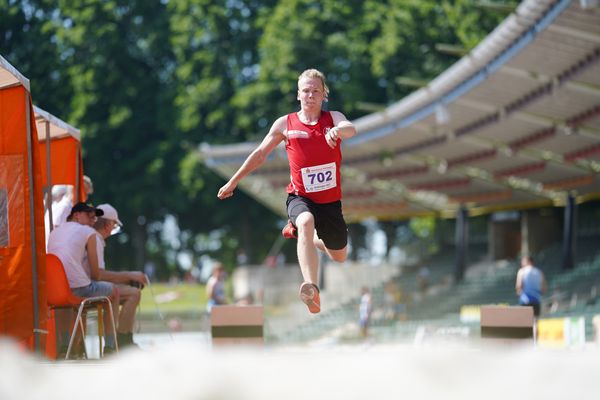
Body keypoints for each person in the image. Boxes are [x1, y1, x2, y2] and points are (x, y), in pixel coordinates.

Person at [217, 68, 357, 314]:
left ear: (324, 94)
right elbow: (260, 154)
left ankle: (310, 236)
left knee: (340, 256)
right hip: (300, 197)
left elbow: (350, 129)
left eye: (316, 91)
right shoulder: (285, 123)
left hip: (330, 202)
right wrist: (233, 181)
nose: (310, 95)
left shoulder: (332, 117)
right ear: (298, 94)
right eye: (306, 90)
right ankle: (311, 288)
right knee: (305, 221)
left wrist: (337, 130)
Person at [47, 202, 147, 352]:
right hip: (79, 290)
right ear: (76, 215)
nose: (92, 220)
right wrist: (129, 276)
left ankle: (65, 347)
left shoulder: (54, 232)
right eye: (89, 216)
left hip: (55, 291)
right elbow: (97, 275)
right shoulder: (89, 233)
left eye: (94, 218)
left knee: (66, 299)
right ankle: (111, 346)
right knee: (115, 293)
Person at [92, 203, 147, 350]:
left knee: (131, 293)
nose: (112, 230)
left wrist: (128, 278)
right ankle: (123, 342)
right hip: (89, 287)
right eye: (114, 225)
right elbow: (99, 275)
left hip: (84, 285)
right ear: (108, 224)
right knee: (134, 293)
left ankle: (123, 340)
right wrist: (130, 275)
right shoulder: (95, 240)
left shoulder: (93, 238)